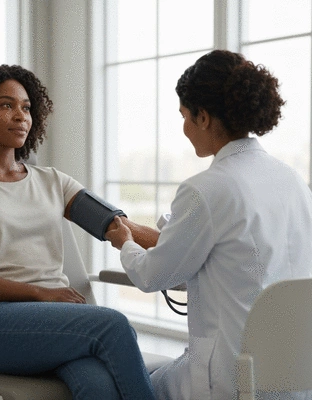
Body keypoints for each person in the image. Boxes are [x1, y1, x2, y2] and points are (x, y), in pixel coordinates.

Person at [0, 60, 156, 400]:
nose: (21, 116)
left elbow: (118, 226)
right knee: (113, 324)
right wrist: (39, 293)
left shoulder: (52, 180)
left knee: (97, 386)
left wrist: (193, 248)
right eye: (6, 105)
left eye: (27, 107)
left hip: (58, 320)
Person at [106, 50, 312, 399]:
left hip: (228, 381)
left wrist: (125, 242)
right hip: (295, 379)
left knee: (124, 387)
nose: (184, 128)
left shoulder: (206, 189)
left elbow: (151, 276)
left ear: (202, 117)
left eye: (185, 116)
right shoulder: (294, 181)